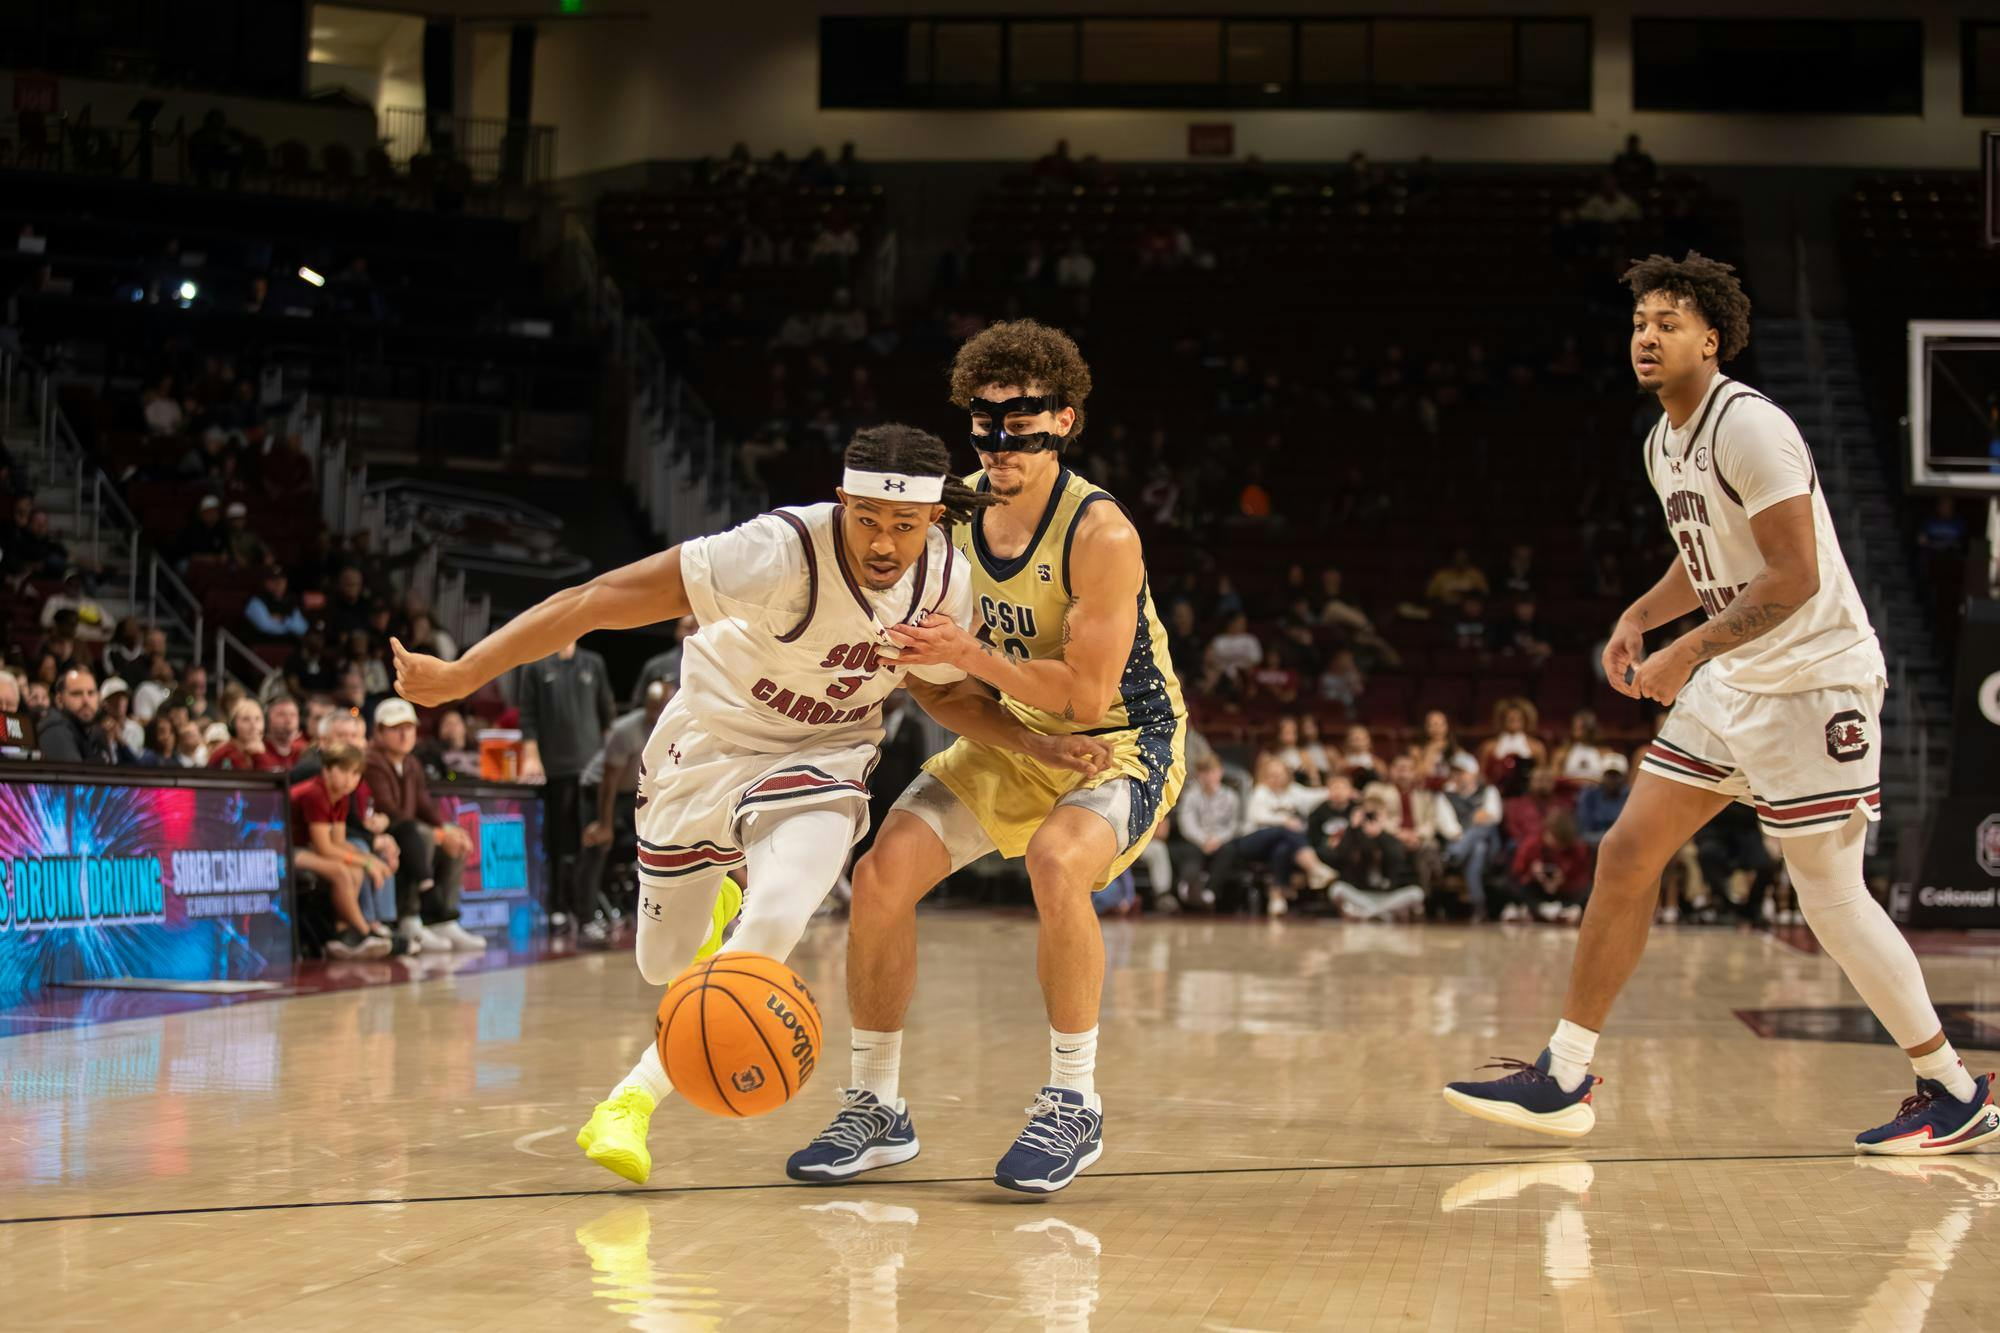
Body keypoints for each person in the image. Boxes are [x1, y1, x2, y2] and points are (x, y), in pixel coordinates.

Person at [392, 423, 1106, 1187]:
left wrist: (1036, 745)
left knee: (780, 914)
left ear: (933, 519)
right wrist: (463, 673)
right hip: (708, 743)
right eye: (866, 518)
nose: (883, 543)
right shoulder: (776, 551)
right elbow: (595, 599)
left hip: (823, 756)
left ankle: (629, 1100)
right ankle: (719, 884)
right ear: (841, 502)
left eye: (903, 524)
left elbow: (940, 694)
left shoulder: (943, 580)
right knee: (660, 962)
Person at [1444, 251, 1999, 1155]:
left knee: (1830, 898)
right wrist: (1641, 614)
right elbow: (1709, 557)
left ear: (1712, 336)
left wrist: (1685, 652)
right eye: (1638, 324)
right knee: (1628, 850)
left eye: (1668, 322)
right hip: (1740, 680)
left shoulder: (1750, 425)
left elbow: (1793, 572)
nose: (1648, 337)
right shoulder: (1665, 442)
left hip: (1815, 679)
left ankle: (1951, 1086)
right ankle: (1566, 1073)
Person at [791, 319, 1188, 1195]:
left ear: (1066, 421)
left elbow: (1085, 699)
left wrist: (971, 656)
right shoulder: (946, 515)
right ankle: (876, 1105)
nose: (1001, 439)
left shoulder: (1101, 533)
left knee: (1056, 860)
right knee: (883, 870)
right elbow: (936, 688)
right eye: (985, 420)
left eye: (1022, 418)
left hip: (1119, 740)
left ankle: (1072, 1098)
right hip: (1012, 729)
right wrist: (959, 677)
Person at [365, 698, 485, 953]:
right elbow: (388, 809)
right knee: (421, 836)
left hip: (409, 830)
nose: (404, 734)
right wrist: (437, 833)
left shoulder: (412, 763)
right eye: (396, 728)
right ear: (379, 731)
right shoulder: (371, 761)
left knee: (456, 837)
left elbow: (425, 807)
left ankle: (444, 920)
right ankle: (410, 919)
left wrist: (446, 829)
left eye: (409, 727)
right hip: (384, 833)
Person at [515, 638, 615, 929]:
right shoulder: (535, 666)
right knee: (559, 843)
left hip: (592, 769)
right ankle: (557, 907)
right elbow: (528, 718)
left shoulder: (593, 664)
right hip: (556, 769)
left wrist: (613, 762)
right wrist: (531, 756)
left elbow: (608, 717)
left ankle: (586, 911)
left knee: (592, 840)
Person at [289, 743, 394, 960]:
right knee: (339, 871)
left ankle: (343, 935)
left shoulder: (341, 796)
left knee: (353, 870)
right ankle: (365, 932)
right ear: (326, 769)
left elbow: (338, 841)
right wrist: (366, 862)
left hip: (304, 847)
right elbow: (324, 848)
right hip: (279, 848)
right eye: (344, 771)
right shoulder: (315, 794)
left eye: (355, 773)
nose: (350, 779)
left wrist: (368, 860)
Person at [1169, 754, 1240, 910]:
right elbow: (1187, 824)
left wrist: (1217, 840)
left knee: (1228, 851)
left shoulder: (1231, 797)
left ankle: (1210, 891)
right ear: (1199, 775)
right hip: (1196, 840)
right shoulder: (1191, 796)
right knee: (1189, 852)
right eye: (1204, 773)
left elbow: (1233, 826)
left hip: (1220, 841)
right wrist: (1203, 841)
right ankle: (1187, 885)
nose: (1208, 777)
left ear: (1220, 772)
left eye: (1212, 772)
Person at [37, 667, 115, 764]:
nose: (86, 701)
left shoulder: (95, 732)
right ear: (59, 700)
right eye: (77, 694)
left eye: (91, 693)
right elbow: (73, 776)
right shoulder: (55, 728)